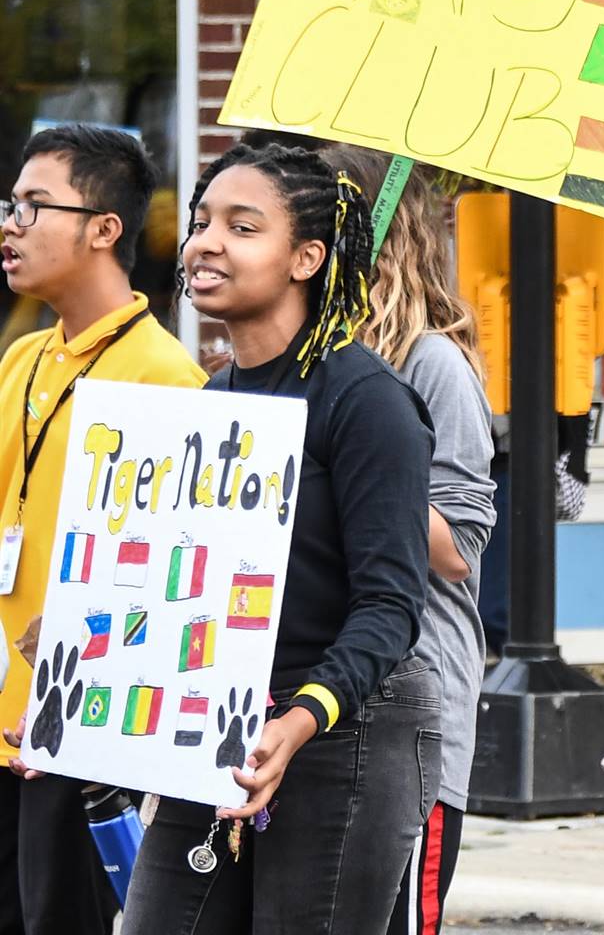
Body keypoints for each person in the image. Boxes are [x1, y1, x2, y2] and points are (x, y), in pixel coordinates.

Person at [121, 141, 438, 934]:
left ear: (306, 257)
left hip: (345, 729)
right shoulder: (213, 397)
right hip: (222, 719)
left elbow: (391, 605)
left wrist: (299, 720)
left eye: (241, 226)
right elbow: (186, 584)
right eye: (200, 223)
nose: (205, 243)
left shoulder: (367, 402)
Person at [0, 124, 205, 933]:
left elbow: (170, 575)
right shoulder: (20, 361)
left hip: (70, 735)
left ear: (105, 228)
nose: (11, 224)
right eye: (9, 204)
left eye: (33, 206)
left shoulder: (163, 377)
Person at [320, 147, 496, 935]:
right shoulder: (312, 360)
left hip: (413, 715)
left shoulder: (433, 366)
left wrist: (368, 452)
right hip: (324, 695)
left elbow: (459, 544)